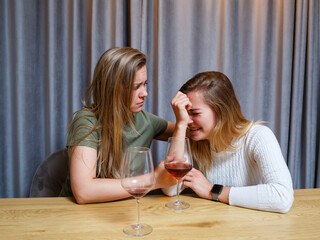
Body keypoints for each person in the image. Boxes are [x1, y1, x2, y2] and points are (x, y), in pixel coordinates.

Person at [162, 71, 294, 213]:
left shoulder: (258, 136)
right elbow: (170, 189)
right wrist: (180, 125)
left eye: (195, 113)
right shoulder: (193, 139)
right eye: (185, 113)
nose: (188, 121)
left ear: (221, 111)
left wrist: (212, 191)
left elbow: (282, 197)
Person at [59, 47, 176, 204]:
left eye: (145, 84)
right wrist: (153, 179)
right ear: (113, 88)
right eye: (136, 86)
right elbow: (83, 192)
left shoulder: (146, 120)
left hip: (123, 212)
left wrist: (182, 122)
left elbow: (190, 134)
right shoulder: (87, 121)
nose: (145, 93)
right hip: (75, 215)